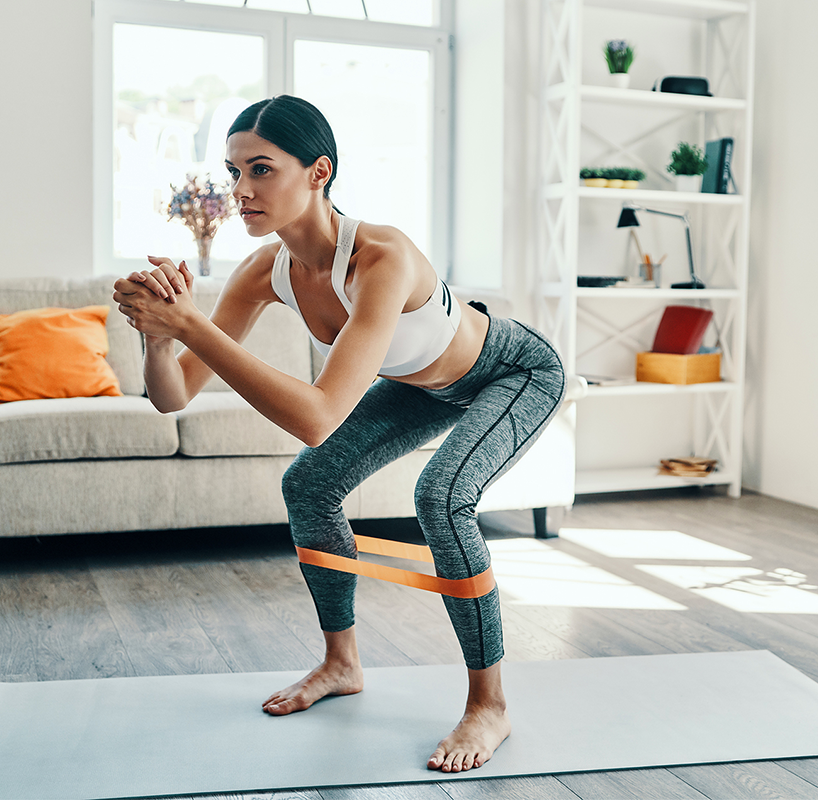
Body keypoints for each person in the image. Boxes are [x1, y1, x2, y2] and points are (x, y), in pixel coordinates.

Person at [113, 95, 566, 773]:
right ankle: (340, 663)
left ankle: (488, 706)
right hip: (424, 386)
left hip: (511, 370)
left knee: (442, 495)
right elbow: (171, 396)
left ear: (318, 171)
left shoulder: (382, 256)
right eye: (234, 171)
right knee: (310, 483)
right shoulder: (262, 273)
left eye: (261, 170)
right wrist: (157, 338)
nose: (240, 190)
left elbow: (319, 414)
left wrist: (192, 325)